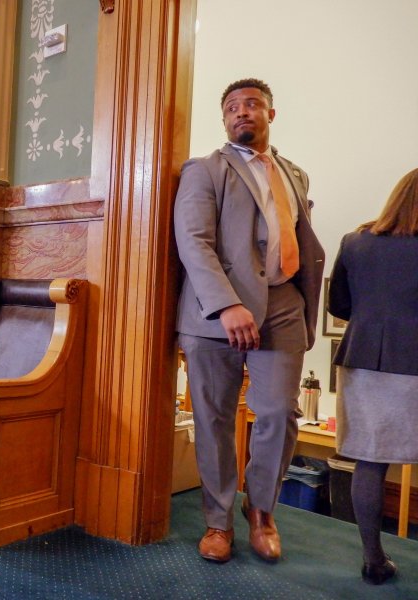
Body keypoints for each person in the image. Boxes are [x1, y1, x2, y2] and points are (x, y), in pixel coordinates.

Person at [174, 78, 325, 563]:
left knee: (279, 413)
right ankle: (218, 522)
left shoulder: (295, 174)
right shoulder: (203, 170)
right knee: (214, 418)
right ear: (224, 119)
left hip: (283, 305)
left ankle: (261, 511)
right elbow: (193, 242)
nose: (243, 112)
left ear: (270, 115)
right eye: (233, 107)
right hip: (214, 312)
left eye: (253, 105)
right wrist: (228, 304)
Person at [327, 168, 418, 585]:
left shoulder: (355, 242)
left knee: (369, 462)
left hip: (365, 361)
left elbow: (339, 307)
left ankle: (373, 561)